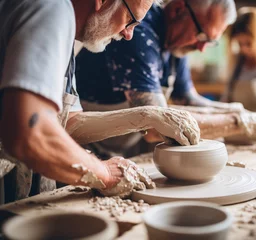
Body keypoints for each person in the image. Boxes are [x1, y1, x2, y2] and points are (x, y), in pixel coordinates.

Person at [0, 0, 200, 203]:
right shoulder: (52, 8)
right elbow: (29, 133)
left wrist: (147, 116)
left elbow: (69, 122)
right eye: (130, 20)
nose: (128, 34)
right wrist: (105, 173)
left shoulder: (69, 31)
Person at [75, 0, 256, 159]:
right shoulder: (138, 32)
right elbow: (157, 127)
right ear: (179, 9)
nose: (201, 49)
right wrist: (240, 123)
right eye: (201, 37)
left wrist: (240, 112)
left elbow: (188, 100)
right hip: (84, 148)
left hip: (122, 147)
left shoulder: (176, 43)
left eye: (209, 42)